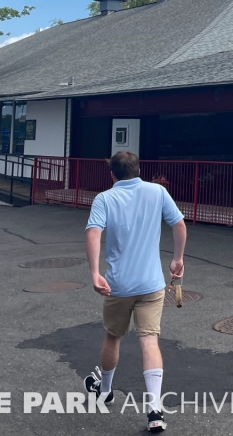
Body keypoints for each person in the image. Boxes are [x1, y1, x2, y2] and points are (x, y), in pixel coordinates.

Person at [84, 151, 186, 433]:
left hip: (118, 284)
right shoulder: (157, 192)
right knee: (149, 340)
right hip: (151, 282)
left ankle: (105, 390)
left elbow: (93, 232)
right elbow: (178, 224)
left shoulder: (105, 198)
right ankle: (155, 410)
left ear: (112, 174)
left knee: (113, 337)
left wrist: (94, 273)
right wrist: (177, 259)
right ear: (138, 169)